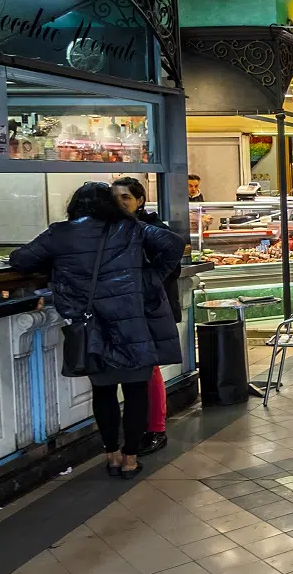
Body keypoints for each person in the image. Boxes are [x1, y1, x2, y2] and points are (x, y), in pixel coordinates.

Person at [11, 182, 183, 478]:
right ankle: (131, 458)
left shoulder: (60, 232)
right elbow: (173, 245)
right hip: (132, 323)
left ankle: (112, 455)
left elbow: (20, 259)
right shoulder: (130, 228)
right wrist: (150, 279)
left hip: (92, 326)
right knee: (135, 392)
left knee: (102, 392)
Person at [111, 177, 180, 456]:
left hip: (151, 310)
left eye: (125, 197)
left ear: (140, 201)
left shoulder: (153, 229)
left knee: (149, 369)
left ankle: (156, 429)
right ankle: (142, 426)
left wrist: (148, 283)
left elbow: (172, 266)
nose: (119, 203)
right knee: (139, 371)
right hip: (128, 311)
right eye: (114, 198)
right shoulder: (113, 229)